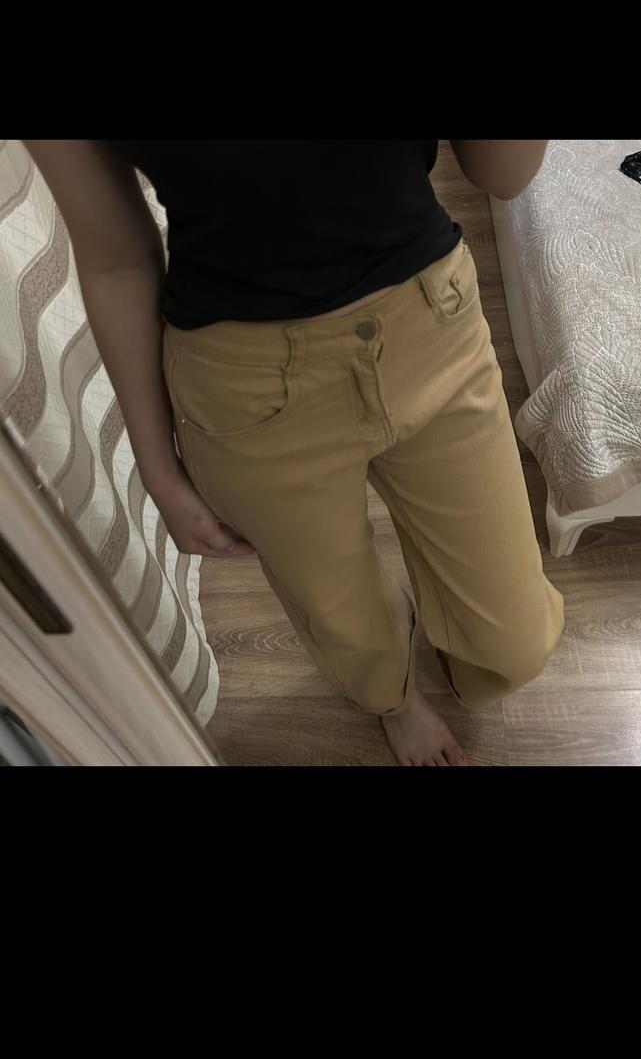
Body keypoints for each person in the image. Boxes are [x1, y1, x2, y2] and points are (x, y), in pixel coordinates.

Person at [23, 139, 564, 767]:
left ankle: (443, 640)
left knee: (513, 646)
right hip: (245, 386)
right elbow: (115, 259)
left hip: (432, 326)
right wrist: (158, 469)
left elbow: (504, 174)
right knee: (344, 621)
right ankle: (394, 702)